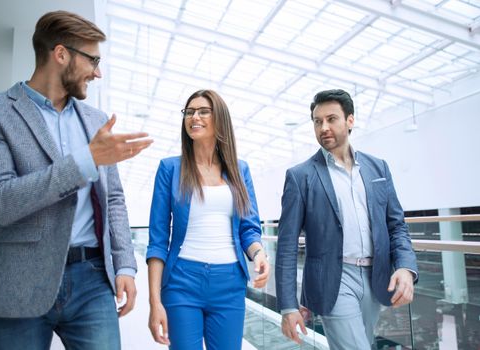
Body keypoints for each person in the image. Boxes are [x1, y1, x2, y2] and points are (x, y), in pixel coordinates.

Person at [0, 10, 153, 350]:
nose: (98, 72)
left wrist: (125, 264)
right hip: (17, 283)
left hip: (93, 279)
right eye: (93, 60)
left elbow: (113, 200)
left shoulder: (96, 121)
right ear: (61, 54)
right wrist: (85, 160)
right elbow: (1, 201)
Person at [275, 89, 418, 350]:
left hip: (376, 278)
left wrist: (406, 268)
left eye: (331, 119)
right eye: (317, 121)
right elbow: (286, 245)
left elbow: (396, 225)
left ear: (350, 120)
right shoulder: (300, 176)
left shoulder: (378, 168)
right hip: (334, 280)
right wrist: (287, 305)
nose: (323, 128)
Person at [146, 89, 270, 350]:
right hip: (182, 281)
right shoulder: (170, 169)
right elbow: (157, 241)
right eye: (189, 112)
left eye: (203, 111)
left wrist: (259, 254)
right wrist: (155, 302)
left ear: (219, 119)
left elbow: (249, 228)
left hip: (229, 283)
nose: (194, 117)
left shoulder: (240, 169)